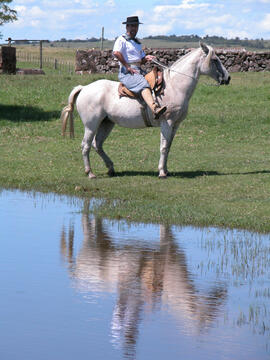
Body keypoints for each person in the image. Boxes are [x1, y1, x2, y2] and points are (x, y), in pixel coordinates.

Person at [113, 16, 167, 119]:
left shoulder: (137, 43)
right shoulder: (121, 40)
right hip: (127, 72)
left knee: (155, 79)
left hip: (138, 70)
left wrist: (146, 58)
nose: (134, 28)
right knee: (144, 84)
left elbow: (141, 60)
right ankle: (154, 109)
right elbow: (116, 53)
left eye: (136, 26)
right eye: (132, 26)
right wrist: (127, 66)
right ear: (127, 27)